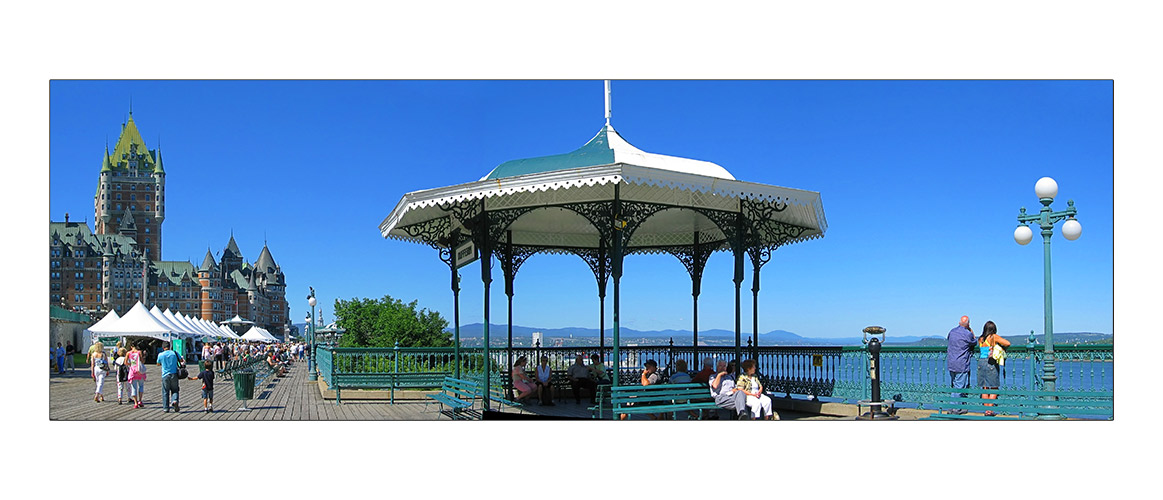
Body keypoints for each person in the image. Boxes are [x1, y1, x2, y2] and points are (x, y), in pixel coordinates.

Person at [977, 321, 1011, 417]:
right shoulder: (993, 337)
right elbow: (1007, 343)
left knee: (985, 387)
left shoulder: (980, 339)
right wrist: (1000, 347)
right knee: (994, 386)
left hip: (981, 362)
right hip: (990, 363)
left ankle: (986, 409)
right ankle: (990, 410)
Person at [946, 315, 977, 415]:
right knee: (959, 386)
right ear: (968, 324)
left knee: (954, 385)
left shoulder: (952, 331)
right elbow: (974, 342)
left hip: (951, 362)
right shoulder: (967, 334)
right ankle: (956, 408)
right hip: (961, 363)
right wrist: (971, 331)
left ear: (959, 323)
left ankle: (951, 407)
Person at [157, 342, 183, 413]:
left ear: (163, 347)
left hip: (165, 375)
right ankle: (174, 400)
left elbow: (158, 363)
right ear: (170, 346)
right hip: (174, 373)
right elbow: (181, 360)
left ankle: (166, 408)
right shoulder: (174, 353)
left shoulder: (161, 355)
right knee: (175, 389)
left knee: (165, 391)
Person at [126, 344, 147, 408]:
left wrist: (131, 364)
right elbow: (142, 361)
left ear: (131, 347)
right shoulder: (139, 352)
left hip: (133, 370)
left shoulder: (128, 353)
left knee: (133, 387)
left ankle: (135, 403)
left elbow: (125, 362)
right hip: (139, 371)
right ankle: (140, 400)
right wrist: (144, 356)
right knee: (141, 386)